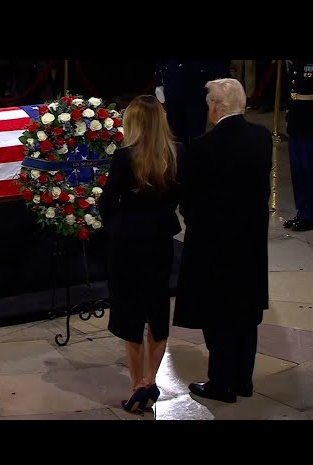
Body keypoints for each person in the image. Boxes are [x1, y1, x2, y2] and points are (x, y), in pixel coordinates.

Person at [173, 78, 272, 403]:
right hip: (251, 245)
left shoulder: (203, 147)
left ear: (216, 107)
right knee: (246, 312)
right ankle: (243, 380)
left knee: (219, 314)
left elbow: (187, 198)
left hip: (215, 247)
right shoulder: (262, 138)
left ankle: (221, 383)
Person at [97, 94, 184, 413]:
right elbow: (179, 196)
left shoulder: (124, 156)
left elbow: (107, 202)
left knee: (129, 312)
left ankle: (136, 386)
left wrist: (115, 223)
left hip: (126, 243)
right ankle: (150, 381)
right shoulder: (176, 153)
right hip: (160, 240)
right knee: (158, 309)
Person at [154, 60, 226, 147]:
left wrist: (218, 79)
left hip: (198, 85)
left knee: (196, 133)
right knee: (176, 134)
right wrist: (159, 82)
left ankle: (194, 158)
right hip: (174, 83)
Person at [283, 59, 313, 232]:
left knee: (308, 168)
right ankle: (302, 211)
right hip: (296, 116)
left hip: (309, 119)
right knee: (297, 168)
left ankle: (309, 214)